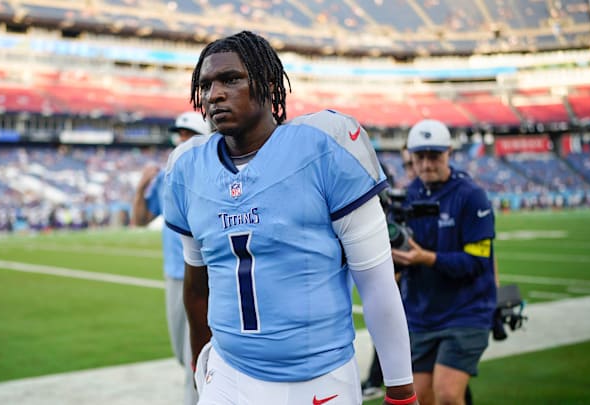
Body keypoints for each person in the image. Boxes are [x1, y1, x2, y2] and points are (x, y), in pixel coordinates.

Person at [163, 30, 418, 405]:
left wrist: (401, 390)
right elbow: (196, 287)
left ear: (268, 85)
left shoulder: (325, 147)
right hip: (230, 373)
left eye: (231, 79)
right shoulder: (188, 168)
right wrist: (201, 365)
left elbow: (378, 283)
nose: (214, 94)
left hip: (320, 376)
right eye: (205, 85)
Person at [392, 119, 497, 405]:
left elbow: (477, 262)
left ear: (449, 153)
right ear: (410, 157)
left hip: (466, 310)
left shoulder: (471, 195)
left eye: (434, 156)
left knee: (448, 395)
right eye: (419, 157)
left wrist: (426, 258)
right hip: (421, 313)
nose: (426, 164)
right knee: (421, 398)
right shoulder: (408, 195)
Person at [131, 111, 211, 405]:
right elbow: (140, 220)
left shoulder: (212, 173)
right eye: (180, 134)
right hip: (174, 274)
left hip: (203, 276)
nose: (182, 140)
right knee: (182, 353)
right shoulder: (169, 175)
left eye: (189, 134)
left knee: (196, 357)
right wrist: (141, 188)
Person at [362, 143, 417, 401]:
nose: (413, 168)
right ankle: (377, 379)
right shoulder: (399, 203)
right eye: (408, 164)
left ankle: (378, 379)